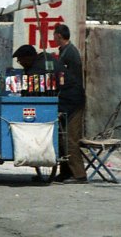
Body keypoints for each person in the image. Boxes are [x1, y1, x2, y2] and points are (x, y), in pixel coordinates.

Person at [53, 23, 87, 184]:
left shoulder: (70, 53)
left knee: (70, 139)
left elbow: (69, 80)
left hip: (74, 101)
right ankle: (65, 171)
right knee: (61, 137)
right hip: (65, 101)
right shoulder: (63, 53)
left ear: (59, 36)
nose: (53, 38)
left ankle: (79, 174)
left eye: (54, 35)